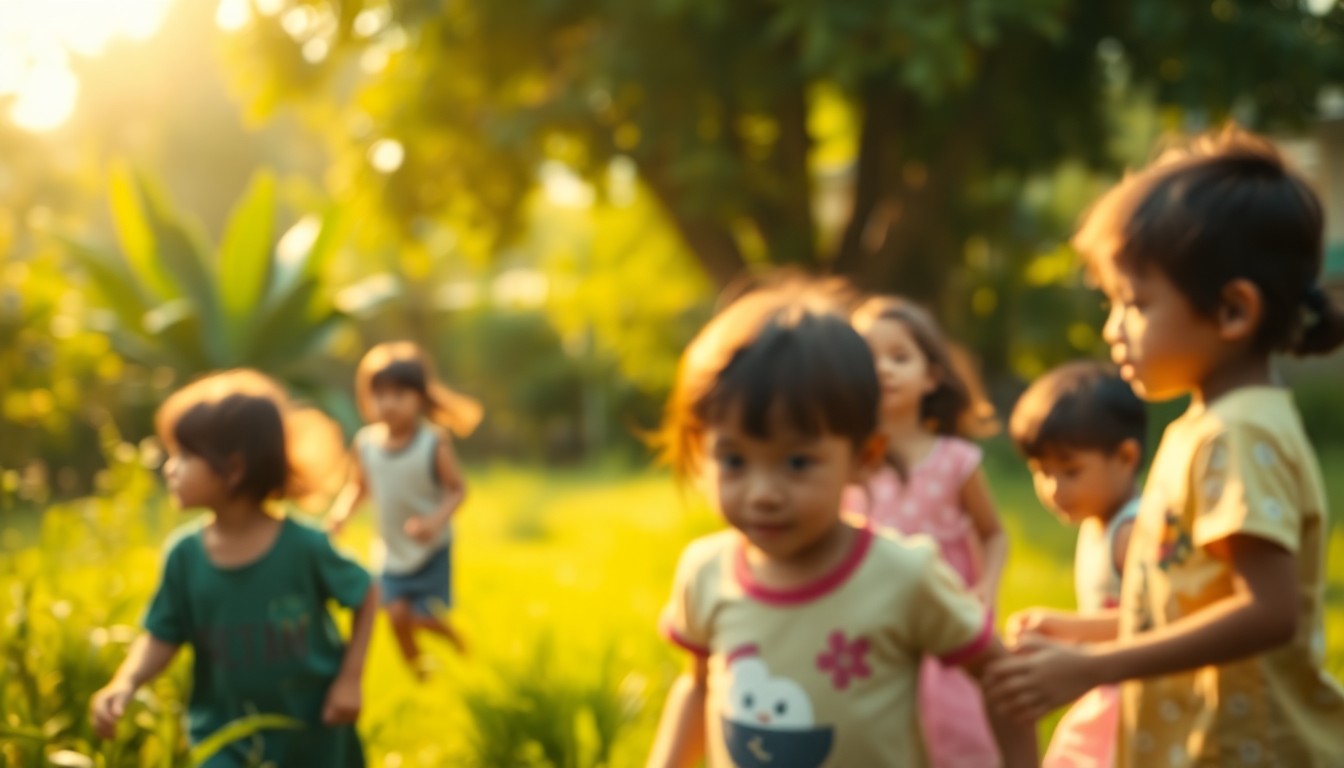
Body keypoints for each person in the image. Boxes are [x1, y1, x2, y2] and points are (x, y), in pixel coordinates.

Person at [986, 126, 1344, 767]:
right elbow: (1193, 611)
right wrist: (1083, 632)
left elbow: (1268, 613)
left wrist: (1094, 665)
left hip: (1250, 750)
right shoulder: (1204, 427)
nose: (1112, 328)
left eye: (1135, 303)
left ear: (1234, 311)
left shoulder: (1240, 434)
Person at [646, 276, 1037, 768]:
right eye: (734, 460)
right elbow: (698, 687)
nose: (763, 495)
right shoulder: (705, 572)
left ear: (864, 457)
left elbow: (1003, 682)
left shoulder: (905, 575)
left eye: (797, 463)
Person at [89, 370, 377, 767]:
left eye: (185, 456)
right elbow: (162, 634)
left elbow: (367, 593)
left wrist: (349, 681)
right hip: (224, 739)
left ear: (235, 468)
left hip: (314, 734)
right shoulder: (185, 557)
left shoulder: (304, 547)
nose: (170, 468)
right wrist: (126, 681)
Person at [846, 295, 1007, 767]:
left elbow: (994, 534)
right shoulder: (846, 463)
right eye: (869, 358)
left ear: (932, 375)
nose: (883, 370)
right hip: (869, 627)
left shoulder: (957, 461)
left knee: (955, 730)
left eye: (899, 357)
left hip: (945, 621)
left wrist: (986, 591)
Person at [1006, 361, 1147, 768]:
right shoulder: (1096, 524)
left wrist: (1066, 628)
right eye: (1042, 472)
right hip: (1106, 688)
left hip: (1136, 698)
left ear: (1125, 456)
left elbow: (1152, 623)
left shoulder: (1131, 532)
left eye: (1070, 471)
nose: (1054, 489)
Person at [328, 341, 481, 676]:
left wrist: (434, 521)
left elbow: (458, 490)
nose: (388, 404)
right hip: (391, 550)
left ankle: (456, 642)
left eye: (399, 394)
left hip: (431, 549)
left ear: (420, 398)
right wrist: (341, 513)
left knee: (422, 617)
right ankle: (422, 678)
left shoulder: (432, 442)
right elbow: (359, 487)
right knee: (395, 615)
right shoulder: (366, 444)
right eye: (379, 394)